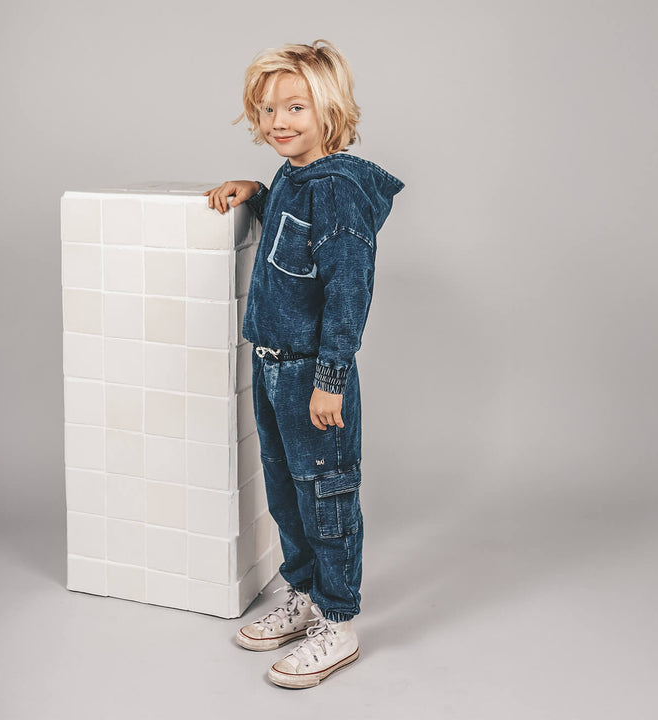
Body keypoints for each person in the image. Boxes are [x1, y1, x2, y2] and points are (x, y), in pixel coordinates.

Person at [204, 39, 404, 689]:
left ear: (330, 110)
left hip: (310, 375)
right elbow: (293, 238)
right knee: (286, 490)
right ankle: (305, 596)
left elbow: (348, 294)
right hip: (270, 367)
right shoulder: (294, 178)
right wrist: (257, 193)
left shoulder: (340, 191)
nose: (278, 121)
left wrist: (329, 381)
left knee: (327, 494)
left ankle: (338, 620)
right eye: (267, 110)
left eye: (295, 107)